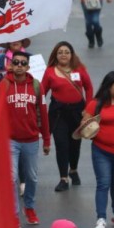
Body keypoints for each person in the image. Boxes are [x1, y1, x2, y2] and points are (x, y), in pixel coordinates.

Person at [0, 49, 49, 226]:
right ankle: (14, 214)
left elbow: (43, 113)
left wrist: (46, 140)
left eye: (23, 63)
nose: (19, 66)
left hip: (31, 139)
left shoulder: (36, 86)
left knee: (32, 177)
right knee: (11, 178)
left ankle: (30, 207)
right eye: (16, 62)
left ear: (28, 66)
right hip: (11, 140)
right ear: (10, 65)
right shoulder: (3, 86)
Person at [81, 71, 114, 228]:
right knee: (103, 183)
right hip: (101, 151)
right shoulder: (96, 104)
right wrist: (87, 126)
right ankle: (101, 218)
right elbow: (84, 124)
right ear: (108, 86)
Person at [41, 41, 94, 192]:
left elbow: (89, 88)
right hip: (58, 113)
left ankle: (74, 170)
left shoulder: (80, 69)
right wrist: (38, 111)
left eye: (66, 52)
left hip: (78, 112)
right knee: (61, 144)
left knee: (75, 144)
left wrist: (88, 109)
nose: (63, 55)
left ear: (71, 54)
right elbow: (42, 93)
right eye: (60, 52)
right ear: (56, 56)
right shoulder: (50, 71)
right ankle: (63, 178)